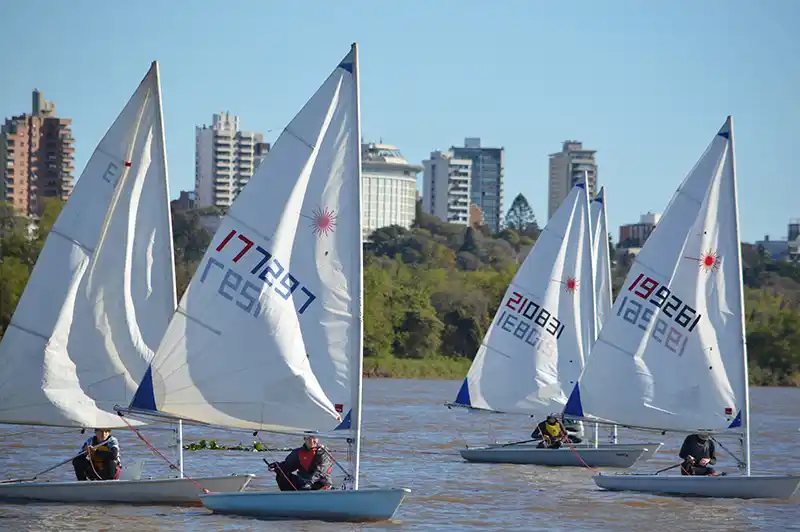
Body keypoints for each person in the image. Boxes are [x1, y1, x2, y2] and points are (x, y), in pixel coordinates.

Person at [267, 435, 333, 491]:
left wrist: (309, 482)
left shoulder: (324, 453)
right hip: (303, 483)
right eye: (309, 438)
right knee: (281, 473)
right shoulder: (298, 453)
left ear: (318, 439)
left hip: (319, 483)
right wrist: (277, 466)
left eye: (313, 438)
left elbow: (321, 471)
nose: (311, 440)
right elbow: (287, 465)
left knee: (316, 482)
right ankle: (289, 499)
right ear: (304, 439)